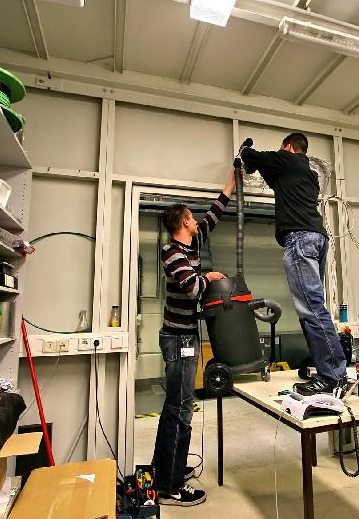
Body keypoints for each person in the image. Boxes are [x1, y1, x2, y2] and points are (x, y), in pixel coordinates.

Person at [240, 133, 348, 397]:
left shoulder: (287, 159)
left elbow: (251, 157)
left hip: (300, 238)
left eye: (282, 149)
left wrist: (245, 150)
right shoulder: (308, 175)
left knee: (311, 308)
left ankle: (333, 375)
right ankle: (329, 370)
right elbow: (276, 180)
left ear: (288, 147)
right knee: (313, 307)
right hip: (317, 238)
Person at [152, 169, 236, 507]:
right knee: (180, 408)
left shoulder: (192, 243)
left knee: (177, 406)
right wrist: (210, 275)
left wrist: (232, 180)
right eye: (193, 218)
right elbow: (191, 288)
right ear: (185, 221)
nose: (198, 222)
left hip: (185, 336)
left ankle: (166, 470)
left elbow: (215, 213)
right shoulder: (172, 252)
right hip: (177, 338)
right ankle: (170, 486)